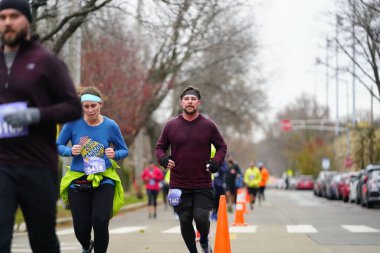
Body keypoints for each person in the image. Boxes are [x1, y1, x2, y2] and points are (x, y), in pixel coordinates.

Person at [0, 0, 82, 252]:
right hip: (2, 164)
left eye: (14, 16)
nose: (8, 22)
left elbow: (72, 107)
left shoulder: (47, 62)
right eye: (2, 17)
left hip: (37, 165)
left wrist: (34, 115)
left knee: (43, 240)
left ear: (28, 20)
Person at [155, 86, 227, 253]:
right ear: (181, 102)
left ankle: (203, 240)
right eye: (187, 99)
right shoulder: (171, 125)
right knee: (185, 220)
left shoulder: (208, 125)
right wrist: (164, 159)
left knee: (201, 218)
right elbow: (159, 148)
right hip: (178, 183)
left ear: (198, 103)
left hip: (202, 181)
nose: (190, 102)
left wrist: (216, 162)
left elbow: (222, 146)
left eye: (193, 99)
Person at [57, 86, 128, 253]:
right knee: (81, 228)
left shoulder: (111, 125)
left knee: (101, 221)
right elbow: (58, 145)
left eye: (93, 106)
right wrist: (70, 151)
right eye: (86, 106)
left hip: (104, 178)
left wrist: (114, 154)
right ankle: (87, 245)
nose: (90, 110)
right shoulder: (72, 123)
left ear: (100, 104)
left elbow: (124, 149)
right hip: (78, 179)